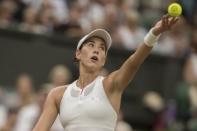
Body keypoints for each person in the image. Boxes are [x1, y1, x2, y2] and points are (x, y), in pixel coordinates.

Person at [33, 15, 179, 131]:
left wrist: (154, 33)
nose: (97, 50)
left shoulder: (110, 85)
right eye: (91, 45)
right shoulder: (57, 95)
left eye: (102, 48)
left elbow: (134, 61)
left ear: (103, 60)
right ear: (78, 54)